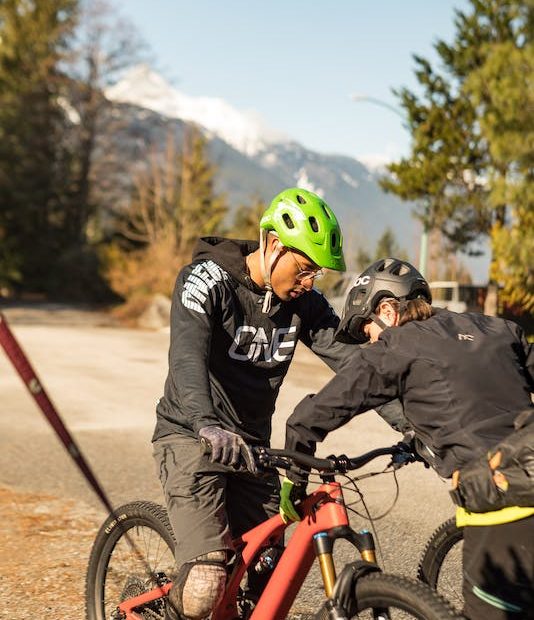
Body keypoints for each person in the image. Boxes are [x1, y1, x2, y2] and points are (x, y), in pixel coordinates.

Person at [282, 257, 534, 620]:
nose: (369, 341)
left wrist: (294, 477)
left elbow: (311, 416)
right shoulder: (497, 327)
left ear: (386, 310)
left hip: (504, 504)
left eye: (367, 329)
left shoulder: (398, 344)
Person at [152, 187, 356, 620]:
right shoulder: (205, 280)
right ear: (275, 244)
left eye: (316, 275)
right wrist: (206, 422)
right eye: (303, 269)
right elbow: (186, 356)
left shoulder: (306, 306)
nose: (308, 283)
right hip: (191, 436)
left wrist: (416, 421)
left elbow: (358, 367)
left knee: (271, 578)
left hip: (252, 451)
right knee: (206, 585)